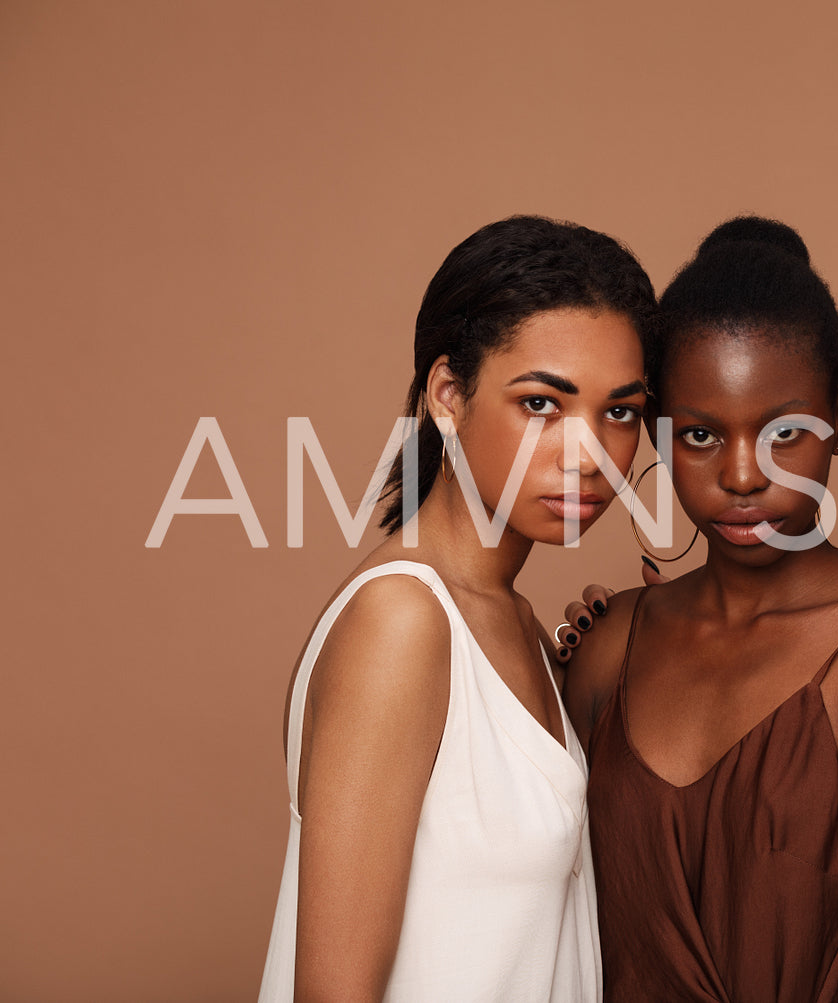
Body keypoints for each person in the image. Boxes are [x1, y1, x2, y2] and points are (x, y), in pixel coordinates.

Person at [561, 217, 838, 1002]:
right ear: (656, 431)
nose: (742, 473)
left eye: (785, 431)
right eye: (699, 434)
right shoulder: (610, 643)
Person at [258, 216, 655, 1002]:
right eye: (542, 402)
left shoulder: (522, 627)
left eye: (620, 410)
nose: (590, 452)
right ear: (448, 393)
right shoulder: (401, 620)